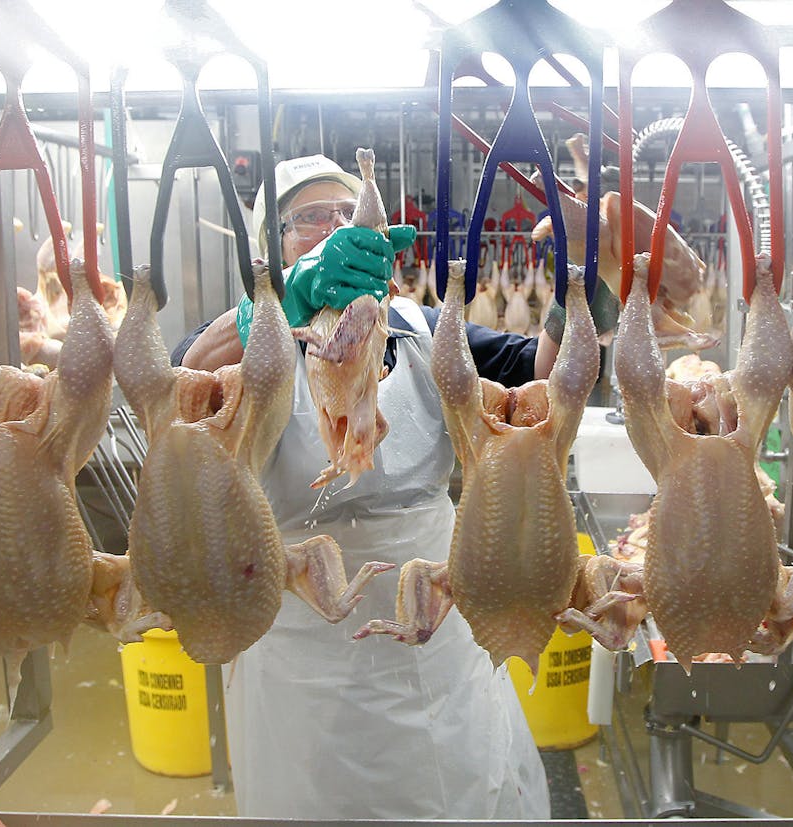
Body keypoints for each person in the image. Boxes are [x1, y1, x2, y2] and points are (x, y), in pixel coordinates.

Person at [173, 154, 582, 819]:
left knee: (462, 793)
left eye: (346, 212)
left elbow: (542, 367)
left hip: (440, 638)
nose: (337, 228)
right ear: (270, 249)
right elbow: (181, 372)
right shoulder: (249, 346)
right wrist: (282, 301)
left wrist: (578, 290)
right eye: (310, 219)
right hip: (302, 664)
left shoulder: (423, 329)